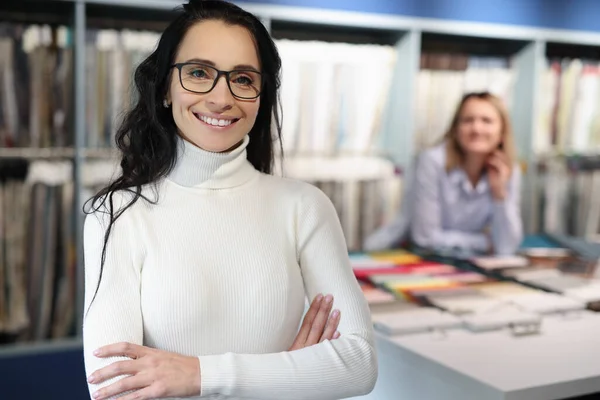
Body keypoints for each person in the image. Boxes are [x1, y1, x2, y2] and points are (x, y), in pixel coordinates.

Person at [82, 1, 377, 399]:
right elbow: (114, 389)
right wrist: (287, 375)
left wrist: (198, 374)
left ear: (260, 94)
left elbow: (358, 363)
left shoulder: (305, 207)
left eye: (242, 78)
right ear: (165, 88)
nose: (222, 98)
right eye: (199, 73)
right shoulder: (116, 215)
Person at [365, 91, 523, 256]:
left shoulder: (507, 169)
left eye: (487, 121)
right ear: (456, 129)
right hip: (405, 254)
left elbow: (506, 246)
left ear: (502, 133)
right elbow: (425, 238)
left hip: (466, 263)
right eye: (468, 120)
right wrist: (484, 241)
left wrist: (500, 194)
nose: (476, 128)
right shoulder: (431, 161)